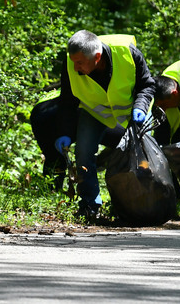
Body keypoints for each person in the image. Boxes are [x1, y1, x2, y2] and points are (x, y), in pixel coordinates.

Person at [52, 30, 156, 220]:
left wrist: (140, 107)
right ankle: (90, 206)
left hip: (133, 112)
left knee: (143, 156)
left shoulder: (129, 54)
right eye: (74, 62)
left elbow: (147, 85)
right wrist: (64, 132)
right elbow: (67, 100)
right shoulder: (71, 64)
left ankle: (145, 202)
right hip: (94, 112)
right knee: (83, 153)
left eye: (80, 63)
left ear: (97, 57)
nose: (75, 68)